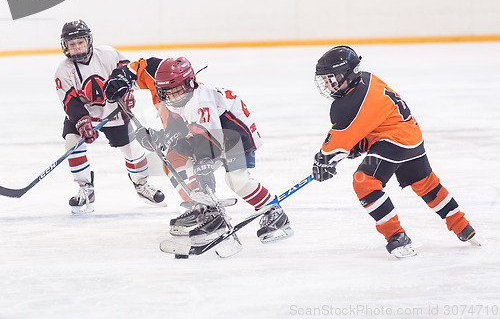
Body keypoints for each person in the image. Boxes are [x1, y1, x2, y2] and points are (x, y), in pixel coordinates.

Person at [103, 56, 293, 244]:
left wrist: (204, 169)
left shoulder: (199, 103)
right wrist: (157, 138)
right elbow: (183, 136)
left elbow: (208, 144)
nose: (174, 95)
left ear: (190, 83)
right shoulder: (178, 98)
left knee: (238, 181)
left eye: (178, 90)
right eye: (169, 92)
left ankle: (274, 212)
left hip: (236, 136)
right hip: (215, 134)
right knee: (177, 160)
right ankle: (206, 209)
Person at [311, 45, 479, 258]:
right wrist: (358, 147)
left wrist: (323, 162)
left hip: (395, 142)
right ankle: (462, 226)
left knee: (364, 182)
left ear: (348, 73)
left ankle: (396, 236)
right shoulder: (367, 79)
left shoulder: (349, 103)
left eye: (331, 78)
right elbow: (373, 122)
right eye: (325, 79)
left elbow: (334, 147)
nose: (327, 84)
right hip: (411, 136)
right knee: (426, 183)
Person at [54, 20, 165, 215]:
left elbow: (129, 74)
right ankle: (85, 188)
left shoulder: (108, 54)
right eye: (72, 45)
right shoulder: (63, 70)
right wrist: (81, 121)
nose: (77, 48)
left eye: (80, 42)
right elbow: (69, 101)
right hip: (83, 115)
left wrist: (128, 92)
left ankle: (141, 184)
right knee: (72, 143)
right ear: (66, 47)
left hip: (114, 112)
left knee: (132, 151)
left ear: (89, 41)